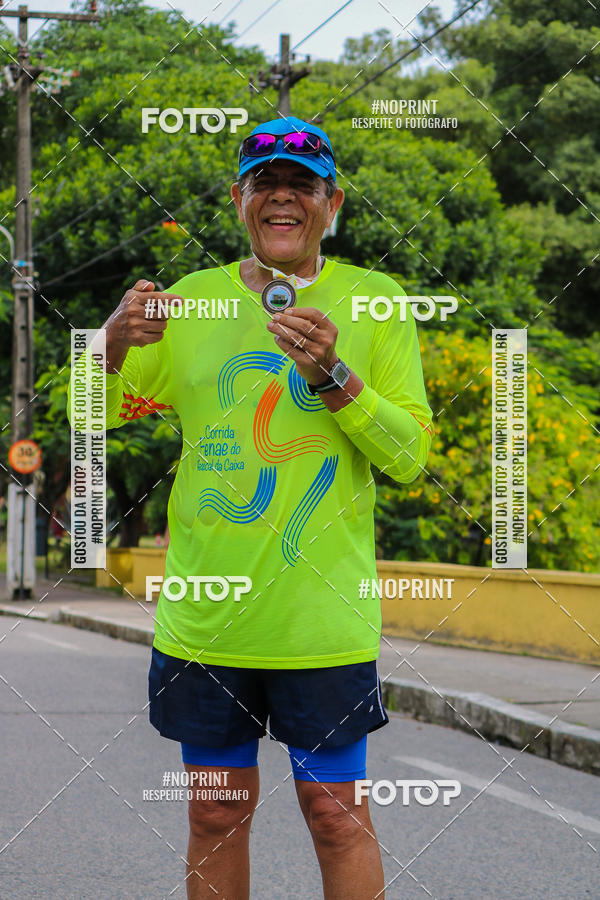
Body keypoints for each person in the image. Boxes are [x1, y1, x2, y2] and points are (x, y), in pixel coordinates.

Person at [67, 116, 433, 899]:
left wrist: (333, 375)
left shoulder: (378, 301)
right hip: (207, 619)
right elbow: (87, 413)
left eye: (303, 184)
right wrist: (113, 338)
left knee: (337, 817)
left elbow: (407, 458)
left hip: (322, 624)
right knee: (214, 815)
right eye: (265, 183)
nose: (283, 198)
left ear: (332, 203)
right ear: (239, 200)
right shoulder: (189, 302)